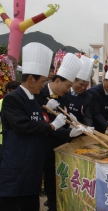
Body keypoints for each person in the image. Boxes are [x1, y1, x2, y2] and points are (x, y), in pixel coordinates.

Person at [0, 43, 67, 211]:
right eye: (42, 81)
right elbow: (23, 125)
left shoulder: (35, 100)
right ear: (30, 79)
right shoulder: (13, 99)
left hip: (33, 168)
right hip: (16, 168)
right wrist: (51, 126)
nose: (43, 86)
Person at [35, 53, 85, 211]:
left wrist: (75, 128)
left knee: (55, 183)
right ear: (57, 81)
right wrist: (66, 132)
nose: (69, 89)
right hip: (39, 147)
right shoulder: (38, 94)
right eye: (68, 85)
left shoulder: (66, 98)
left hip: (58, 148)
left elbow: (65, 120)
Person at [87, 59, 108, 136]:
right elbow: (96, 113)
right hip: (91, 128)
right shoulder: (93, 92)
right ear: (104, 80)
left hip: (102, 128)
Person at [65, 56, 94, 127]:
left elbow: (88, 116)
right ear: (74, 80)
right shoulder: (64, 92)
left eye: (86, 85)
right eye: (81, 84)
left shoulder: (87, 97)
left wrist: (89, 127)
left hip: (80, 130)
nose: (83, 88)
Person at [0, 81, 21, 150]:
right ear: (7, 91)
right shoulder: (1, 102)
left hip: (14, 139)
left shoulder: (21, 103)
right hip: (2, 139)